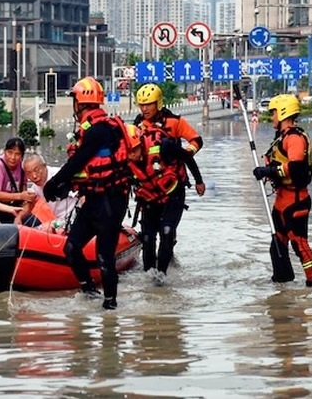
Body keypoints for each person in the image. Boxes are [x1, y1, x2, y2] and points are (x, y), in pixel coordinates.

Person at [42, 76, 134, 310]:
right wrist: (66, 185)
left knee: (104, 256)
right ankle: (89, 291)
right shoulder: (91, 130)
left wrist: (53, 183)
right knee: (71, 248)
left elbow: (79, 161)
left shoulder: (99, 130)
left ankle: (110, 307)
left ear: (79, 103)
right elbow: (83, 167)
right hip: (94, 198)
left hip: (111, 200)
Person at [133, 83, 206, 285]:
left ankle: (161, 279)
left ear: (158, 103)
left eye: (148, 104)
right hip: (148, 190)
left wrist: (185, 159)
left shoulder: (174, 122)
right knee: (148, 238)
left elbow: (196, 141)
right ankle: (148, 278)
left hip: (173, 187)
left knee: (166, 232)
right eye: (141, 105)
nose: (144, 109)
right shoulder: (138, 125)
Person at [252, 94, 312, 287]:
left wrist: (269, 170)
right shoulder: (281, 138)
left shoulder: (295, 138)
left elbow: (296, 167)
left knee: (300, 245)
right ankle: (282, 284)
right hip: (281, 201)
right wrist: (266, 170)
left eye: (273, 113)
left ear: (282, 112)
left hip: (295, 201)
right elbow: (279, 164)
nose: (272, 117)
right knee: (277, 246)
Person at [0, 137, 36, 224]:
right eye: (10, 152)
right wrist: (20, 196)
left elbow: (24, 195)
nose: (13, 157)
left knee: (35, 223)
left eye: (17, 154)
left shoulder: (22, 167)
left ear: (22, 156)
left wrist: (19, 216)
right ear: (4, 151)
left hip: (8, 204)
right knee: (0, 230)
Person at [18, 153, 79, 232]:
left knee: (45, 228)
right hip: (61, 221)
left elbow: (83, 196)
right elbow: (28, 203)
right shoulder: (35, 187)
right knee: (33, 229)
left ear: (44, 166)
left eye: (36, 170)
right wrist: (19, 217)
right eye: (29, 173)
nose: (34, 176)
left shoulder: (60, 176)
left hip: (76, 217)